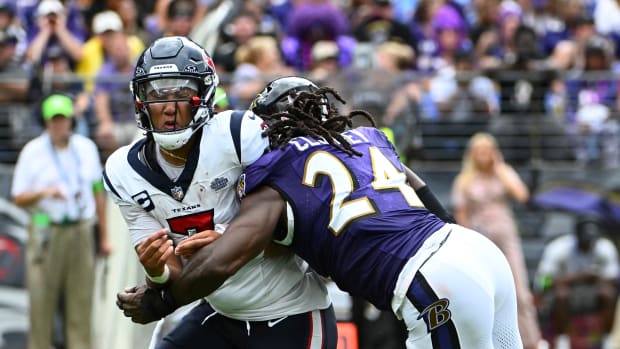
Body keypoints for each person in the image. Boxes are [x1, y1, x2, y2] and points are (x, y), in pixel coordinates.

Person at [116, 78, 523, 348]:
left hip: (428, 278)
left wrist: (162, 300)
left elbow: (224, 260)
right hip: (472, 249)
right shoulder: (364, 138)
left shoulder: (279, 174)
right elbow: (421, 191)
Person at [102, 36, 337, 349]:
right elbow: (173, 271)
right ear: (141, 100)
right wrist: (155, 271)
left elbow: (298, 229)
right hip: (220, 313)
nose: (169, 109)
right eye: (157, 94)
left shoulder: (241, 135)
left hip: (289, 313)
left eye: (182, 93)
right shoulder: (122, 172)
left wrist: (232, 241)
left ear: (203, 94)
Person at [11, 93, 111, 349]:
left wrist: (105, 236)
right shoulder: (32, 151)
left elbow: (98, 191)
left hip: (80, 228)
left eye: (63, 119)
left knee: (81, 299)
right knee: (41, 299)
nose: (59, 125)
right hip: (47, 227)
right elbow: (18, 196)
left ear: (71, 120)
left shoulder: (86, 148)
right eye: (54, 120)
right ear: (46, 122)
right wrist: (45, 193)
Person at [451, 132, 544, 349]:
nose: (483, 155)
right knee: (484, 292)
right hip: (480, 239)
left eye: (487, 151)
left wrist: (500, 168)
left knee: (519, 290)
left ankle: (531, 342)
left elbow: (521, 195)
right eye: (479, 151)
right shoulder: (464, 180)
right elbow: (461, 213)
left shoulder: (503, 172)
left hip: (506, 235)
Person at [535, 215, 619, 349]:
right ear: (577, 236)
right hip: (563, 293)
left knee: (608, 294)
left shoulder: (605, 248)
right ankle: (563, 339)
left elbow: (614, 279)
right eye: (585, 241)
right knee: (561, 295)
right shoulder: (558, 248)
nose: (589, 244)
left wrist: (595, 278)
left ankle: (606, 339)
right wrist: (578, 277)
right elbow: (543, 281)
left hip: (592, 292)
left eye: (592, 241)